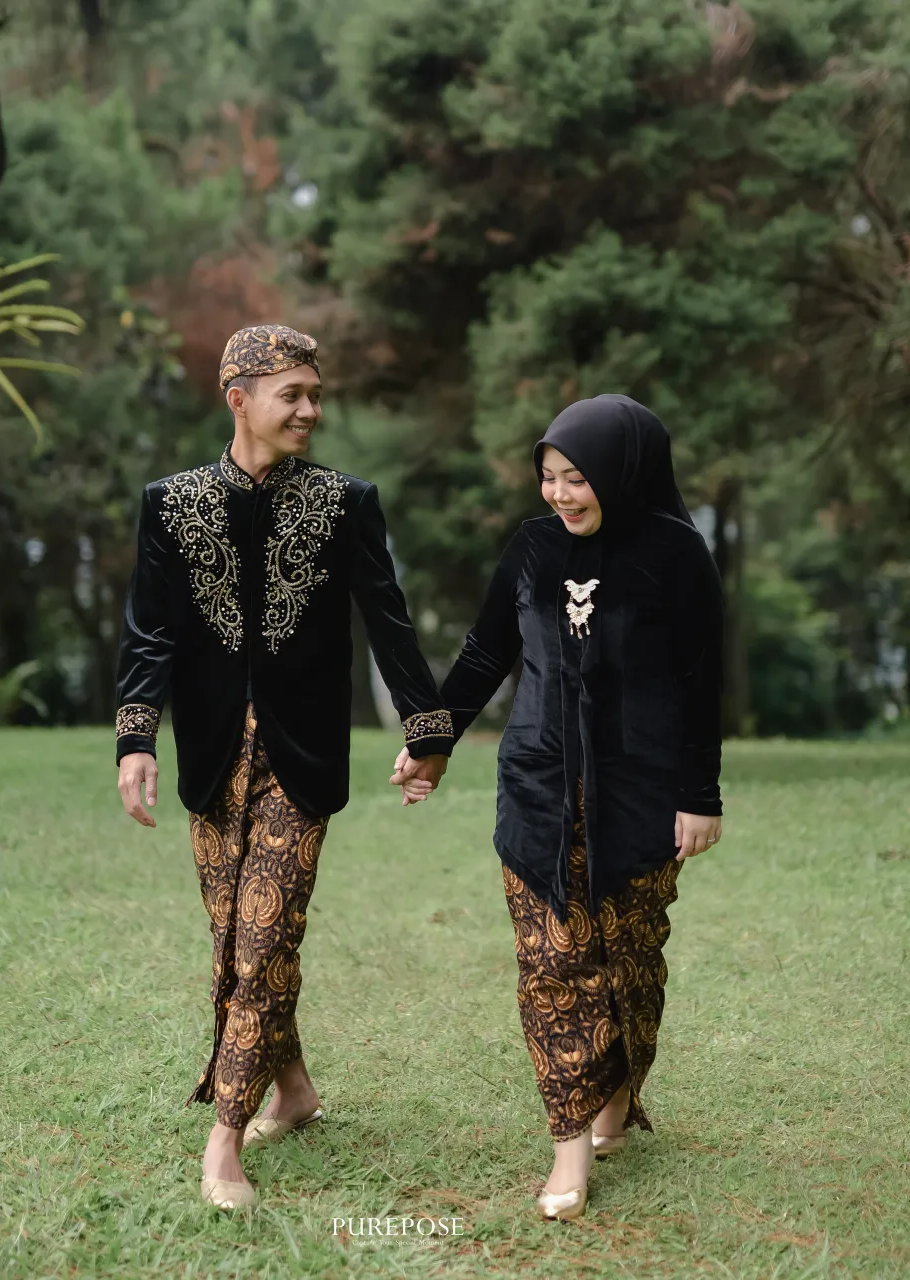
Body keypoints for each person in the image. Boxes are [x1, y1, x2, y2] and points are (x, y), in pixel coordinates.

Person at [115, 324, 453, 1211]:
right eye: (291, 395)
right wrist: (136, 739)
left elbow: (388, 620)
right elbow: (150, 631)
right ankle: (294, 1090)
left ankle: (225, 1138)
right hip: (211, 756)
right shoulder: (172, 503)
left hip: (302, 757)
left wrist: (428, 729)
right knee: (236, 937)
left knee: (264, 941)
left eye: (315, 394)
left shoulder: (346, 502)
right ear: (240, 399)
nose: (311, 410)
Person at [393, 394, 723, 1221]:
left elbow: (701, 682)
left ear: (622, 473)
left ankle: (618, 1087)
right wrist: (432, 738)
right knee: (551, 965)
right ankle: (568, 1144)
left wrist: (699, 796)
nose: (560, 494)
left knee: (632, 961)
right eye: (548, 477)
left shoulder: (675, 553)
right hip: (537, 785)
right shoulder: (533, 548)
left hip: (641, 791)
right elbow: (485, 651)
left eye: (577, 478)